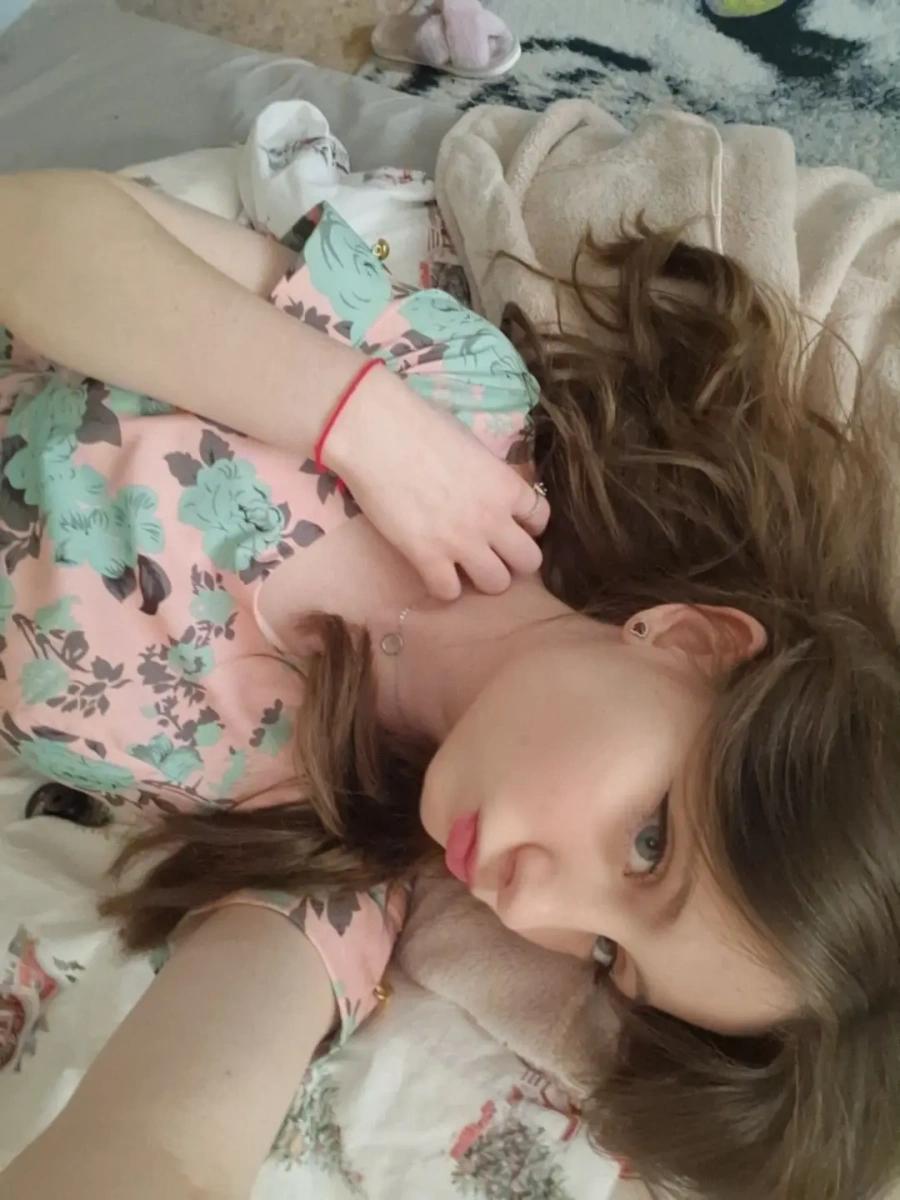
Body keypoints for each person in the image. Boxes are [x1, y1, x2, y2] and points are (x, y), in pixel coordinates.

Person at [0, 169, 897, 1200]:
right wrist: (356, 420)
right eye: (650, 844)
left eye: (606, 955)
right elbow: (28, 223)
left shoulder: (330, 860)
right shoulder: (461, 402)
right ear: (693, 642)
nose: (531, 905)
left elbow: (163, 1152)